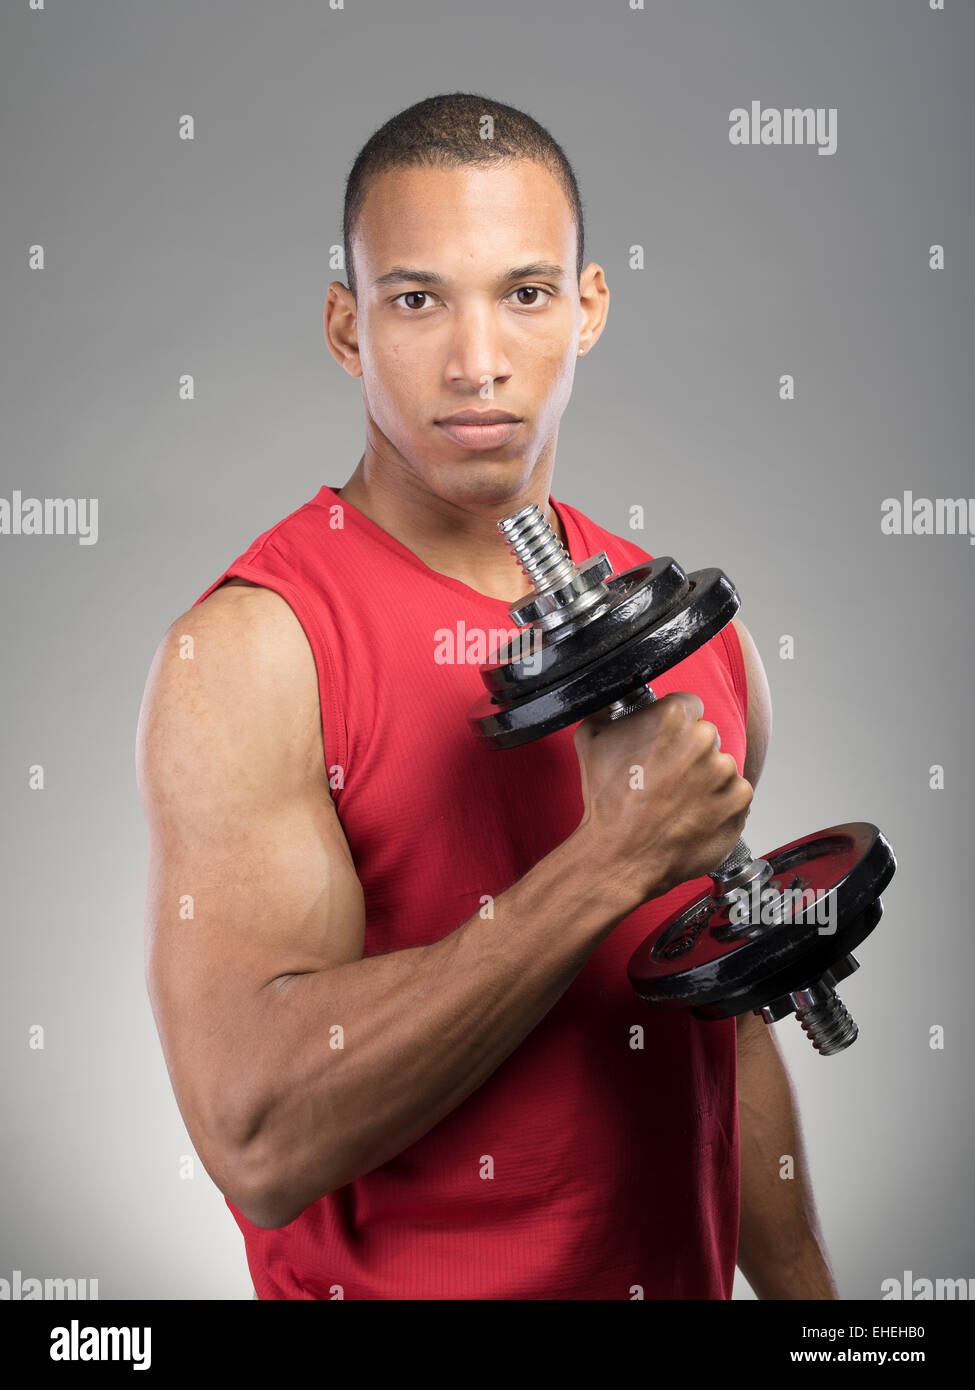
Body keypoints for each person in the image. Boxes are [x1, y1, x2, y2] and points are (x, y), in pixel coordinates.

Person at [136, 92, 836, 1301]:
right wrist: (608, 862)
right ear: (348, 328)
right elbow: (258, 1140)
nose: (478, 361)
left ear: (589, 308)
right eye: (418, 301)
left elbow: (727, 1003)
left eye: (524, 293)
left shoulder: (695, 639)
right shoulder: (258, 653)